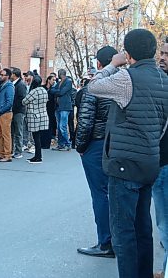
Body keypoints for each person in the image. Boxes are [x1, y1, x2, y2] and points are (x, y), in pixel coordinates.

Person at [87, 29, 168, 278]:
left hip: (124, 165)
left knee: (123, 232)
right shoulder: (164, 79)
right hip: (150, 162)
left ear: (128, 53)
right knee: (142, 227)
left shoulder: (126, 78)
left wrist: (112, 64)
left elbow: (93, 87)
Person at [75, 46, 116, 259]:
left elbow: (85, 119)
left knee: (100, 193)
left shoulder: (96, 85)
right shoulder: (125, 81)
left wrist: (80, 147)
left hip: (97, 143)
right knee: (116, 193)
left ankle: (105, 242)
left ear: (99, 64)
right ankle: (118, 240)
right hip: (118, 144)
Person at [153, 37, 168, 278]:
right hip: (159, 163)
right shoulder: (160, 81)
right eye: (162, 53)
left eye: (167, 54)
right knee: (163, 225)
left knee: (165, 226)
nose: (162, 57)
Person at [22, 75, 48, 163]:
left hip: (34, 116)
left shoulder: (34, 91)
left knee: (36, 137)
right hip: (43, 115)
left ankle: (38, 156)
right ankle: (38, 155)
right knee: (39, 137)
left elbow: (24, 101)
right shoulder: (44, 90)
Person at [0, 68, 15, 162]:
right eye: (0, 74)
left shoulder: (9, 86)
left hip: (5, 113)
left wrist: (1, 110)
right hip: (0, 113)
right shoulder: (2, 86)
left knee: (6, 135)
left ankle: (7, 155)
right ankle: (1, 153)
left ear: (8, 76)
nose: (0, 76)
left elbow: (9, 102)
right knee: (0, 134)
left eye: (2, 75)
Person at [50, 69, 73, 151]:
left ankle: (67, 143)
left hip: (65, 107)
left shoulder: (68, 82)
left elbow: (61, 92)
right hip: (58, 107)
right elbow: (52, 90)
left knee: (62, 126)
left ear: (60, 74)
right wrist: (57, 91)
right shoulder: (59, 83)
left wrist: (56, 91)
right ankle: (61, 144)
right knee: (59, 127)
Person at [10, 67, 26, 159]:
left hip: (18, 111)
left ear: (15, 75)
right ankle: (11, 149)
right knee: (11, 131)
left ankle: (18, 151)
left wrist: (14, 107)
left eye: (11, 74)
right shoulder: (12, 84)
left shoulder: (21, 85)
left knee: (18, 131)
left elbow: (21, 99)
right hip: (12, 111)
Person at [41, 75, 56, 149]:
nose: (54, 81)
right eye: (53, 80)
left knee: (49, 126)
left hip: (51, 110)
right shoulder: (42, 88)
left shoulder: (54, 90)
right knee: (42, 127)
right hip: (43, 109)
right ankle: (42, 142)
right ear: (48, 80)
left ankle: (47, 143)